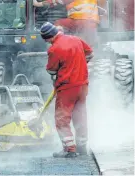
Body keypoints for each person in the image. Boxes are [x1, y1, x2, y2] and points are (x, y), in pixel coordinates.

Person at [40, 22, 94, 158]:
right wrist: (79, 63)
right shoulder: (76, 39)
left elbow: (51, 70)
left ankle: (69, 149)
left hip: (67, 87)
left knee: (62, 119)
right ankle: (82, 147)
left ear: (48, 38)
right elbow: (89, 53)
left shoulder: (54, 49)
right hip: (82, 85)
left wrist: (65, 68)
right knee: (80, 116)